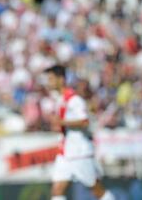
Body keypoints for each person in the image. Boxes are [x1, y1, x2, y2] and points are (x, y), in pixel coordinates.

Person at [44, 65, 114, 200]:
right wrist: (59, 126)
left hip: (80, 152)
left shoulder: (75, 100)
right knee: (57, 190)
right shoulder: (60, 99)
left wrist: (62, 123)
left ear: (61, 79)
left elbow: (84, 121)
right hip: (65, 152)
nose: (49, 82)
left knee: (97, 190)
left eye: (51, 79)